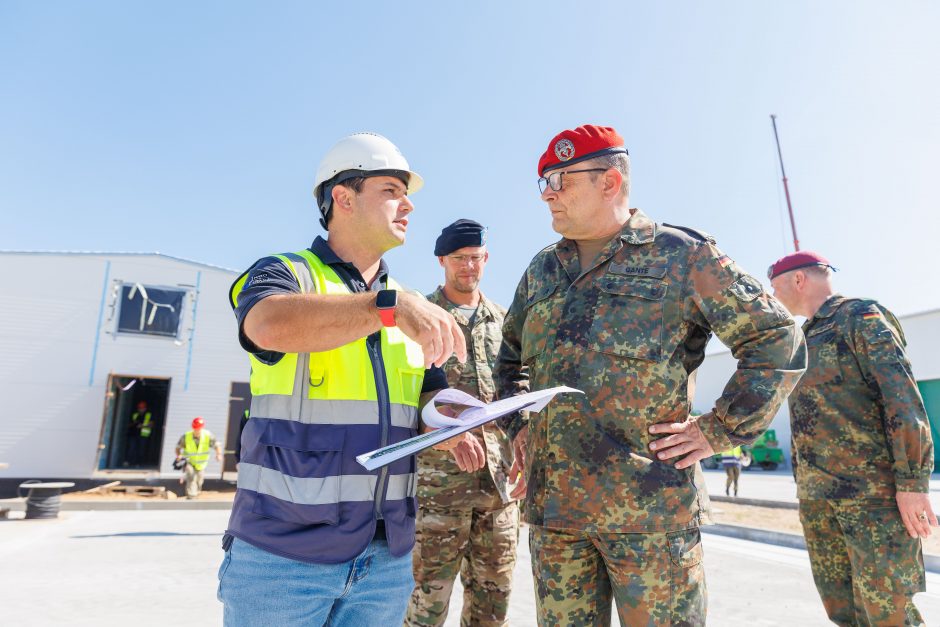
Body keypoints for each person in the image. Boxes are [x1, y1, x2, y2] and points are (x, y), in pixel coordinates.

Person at [494, 124, 806, 626]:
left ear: (610, 182)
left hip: (650, 517)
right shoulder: (541, 272)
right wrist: (521, 427)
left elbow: (776, 340)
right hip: (556, 517)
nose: (547, 193)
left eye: (561, 179)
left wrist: (718, 430)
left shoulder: (683, 256)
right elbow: (506, 364)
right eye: (544, 183)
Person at [218, 132, 467, 626]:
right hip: (282, 559)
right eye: (391, 190)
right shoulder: (287, 272)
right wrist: (387, 309)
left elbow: (427, 396)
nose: (409, 205)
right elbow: (267, 324)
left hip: (384, 558)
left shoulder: (407, 300)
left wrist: (448, 418)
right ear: (343, 197)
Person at [768, 250, 935, 626]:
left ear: (798, 280)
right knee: (843, 612)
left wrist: (912, 482)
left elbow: (901, 399)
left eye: (775, 287)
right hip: (818, 499)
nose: (772, 296)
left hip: (871, 499)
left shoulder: (860, 317)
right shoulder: (802, 337)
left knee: (888, 614)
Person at [406, 219, 519, 627]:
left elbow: (515, 392)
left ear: (486, 258)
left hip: (499, 490)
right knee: (425, 602)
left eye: (475, 258)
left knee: (494, 603)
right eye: (459, 259)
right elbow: (408, 395)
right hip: (439, 490)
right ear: (442, 261)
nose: (468, 266)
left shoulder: (506, 323)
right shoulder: (423, 319)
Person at [175, 416, 223, 498]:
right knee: (191, 476)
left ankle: (197, 492)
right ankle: (191, 495)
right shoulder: (187, 436)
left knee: (199, 480)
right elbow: (178, 447)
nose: (197, 430)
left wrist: (218, 454)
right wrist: (178, 455)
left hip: (201, 463)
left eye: (199, 429)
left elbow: (217, 445)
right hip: (189, 461)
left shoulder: (207, 435)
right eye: (196, 428)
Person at [124, 400, 152, 467]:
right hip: (133, 434)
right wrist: (134, 423)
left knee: (141, 450)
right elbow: (129, 424)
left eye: (142, 408)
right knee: (131, 449)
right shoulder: (135, 414)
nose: (141, 409)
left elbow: (151, 424)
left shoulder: (148, 414)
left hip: (143, 435)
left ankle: (138, 463)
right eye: (139, 408)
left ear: (145, 408)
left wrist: (142, 425)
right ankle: (128, 462)